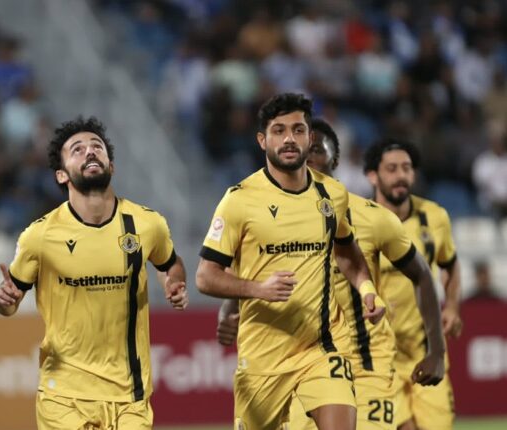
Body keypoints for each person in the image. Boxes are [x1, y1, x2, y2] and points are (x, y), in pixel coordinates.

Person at [216, 118, 446, 430]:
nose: (305, 156)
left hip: (364, 369)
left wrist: (437, 351)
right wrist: (228, 310)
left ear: (334, 160)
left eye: (315, 150)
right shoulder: (274, 220)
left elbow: (422, 274)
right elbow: (246, 271)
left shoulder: (372, 219)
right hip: (302, 363)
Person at [196, 93, 385, 430]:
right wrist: (258, 289)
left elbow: (347, 252)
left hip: (322, 346)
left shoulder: (332, 195)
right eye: (279, 130)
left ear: (310, 138)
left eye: (298, 130)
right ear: (262, 140)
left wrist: (367, 288)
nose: (288, 139)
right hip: (263, 358)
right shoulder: (239, 201)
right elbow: (206, 276)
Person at [0, 116, 188, 429]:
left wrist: (174, 283)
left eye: (97, 147)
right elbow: (9, 301)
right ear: (61, 174)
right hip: (64, 395)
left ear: (112, 166)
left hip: (130, 396)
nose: (90, 152)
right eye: (77, 150)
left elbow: (170, 265)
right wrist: (3, 300)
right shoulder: (40, 236)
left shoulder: (147, 224)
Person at [363, 138, 463, 430]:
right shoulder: (359, 221)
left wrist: (452, 305)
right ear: (373, 176)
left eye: (406, 168)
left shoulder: (435, 217)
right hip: (380, 355)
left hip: (424, 348)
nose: (401, 176)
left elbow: (450, 264)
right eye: (392, 168)